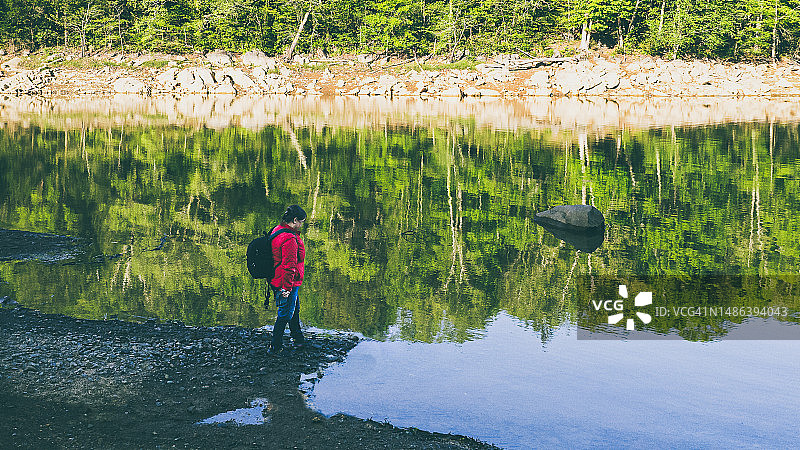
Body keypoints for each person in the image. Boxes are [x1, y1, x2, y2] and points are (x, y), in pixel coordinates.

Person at [268, 205, 307, 355]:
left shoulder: (277, 229)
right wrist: (287, 288)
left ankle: (298, 339)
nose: (301, 225)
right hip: (286, 281)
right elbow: (289, 266)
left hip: (277, 278)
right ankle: (275, 346)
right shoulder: (289, 238)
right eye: (301, 222)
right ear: (295, 220)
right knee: (285, 313)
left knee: (294, 309)